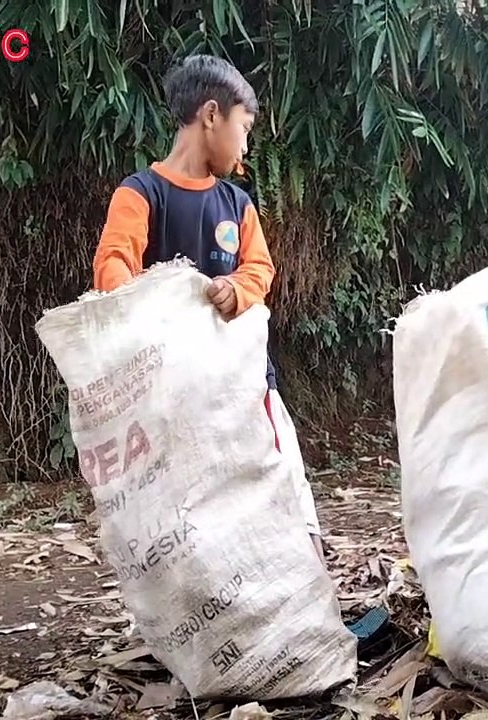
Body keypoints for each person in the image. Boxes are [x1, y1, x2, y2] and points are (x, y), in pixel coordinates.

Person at [91, 54, 325, 563]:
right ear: (212, 115)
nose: (246, 147)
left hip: (245, 388)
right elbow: (113, 268)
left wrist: (235, 289)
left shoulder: (237, 205)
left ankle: (311, 586)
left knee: (284, 487)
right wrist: (154, 303)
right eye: (245, 128)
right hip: (169, 397)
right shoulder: (140, 194)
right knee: (187, 522)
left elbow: (260, 270)